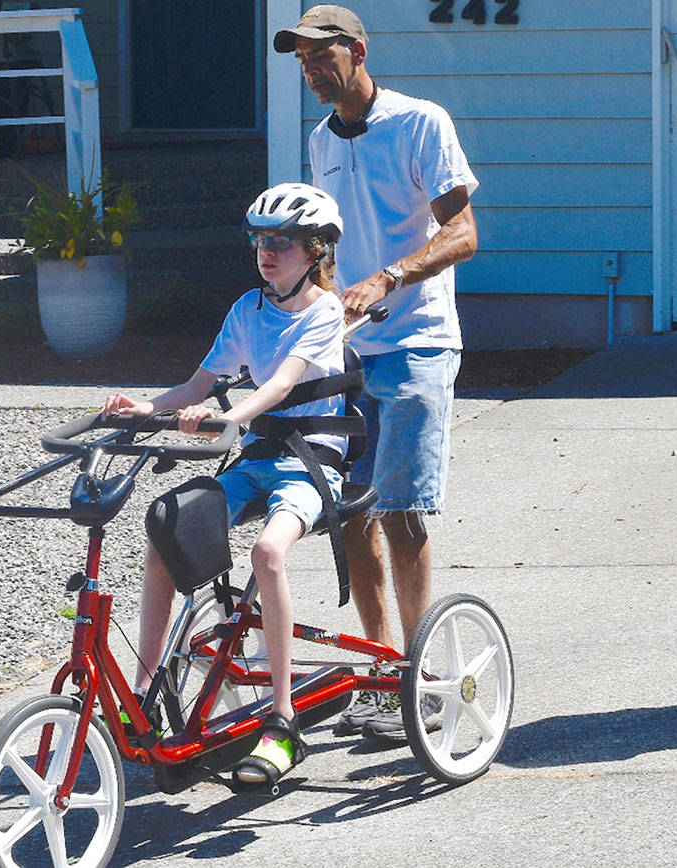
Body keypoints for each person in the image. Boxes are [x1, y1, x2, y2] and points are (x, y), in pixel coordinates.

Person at [274, 5, 479, 740]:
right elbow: (328, 250)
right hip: (349, 350)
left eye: (319, 56)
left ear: (357, 51)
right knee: (349, 510)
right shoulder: (321, 139)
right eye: (299, 59)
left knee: (401, 508)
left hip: (420, 341)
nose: (309, 68)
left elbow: (463, 231)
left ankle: (424, 680)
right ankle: (381, 669)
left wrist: (390, 278)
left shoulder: (421, 123)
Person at [102, 183, 347, 786]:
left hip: (312, 459)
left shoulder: (325, 312)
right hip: (257, 457)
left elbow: (282, 385)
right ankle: (147, 689)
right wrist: (146, 409)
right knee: (164, 529)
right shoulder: (249, 309)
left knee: (267, 552)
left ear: (315, 252)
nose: (268, 252)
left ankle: (284, 721)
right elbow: (198, 383)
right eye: (261, 240)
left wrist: (229, 419)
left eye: (283, 243)